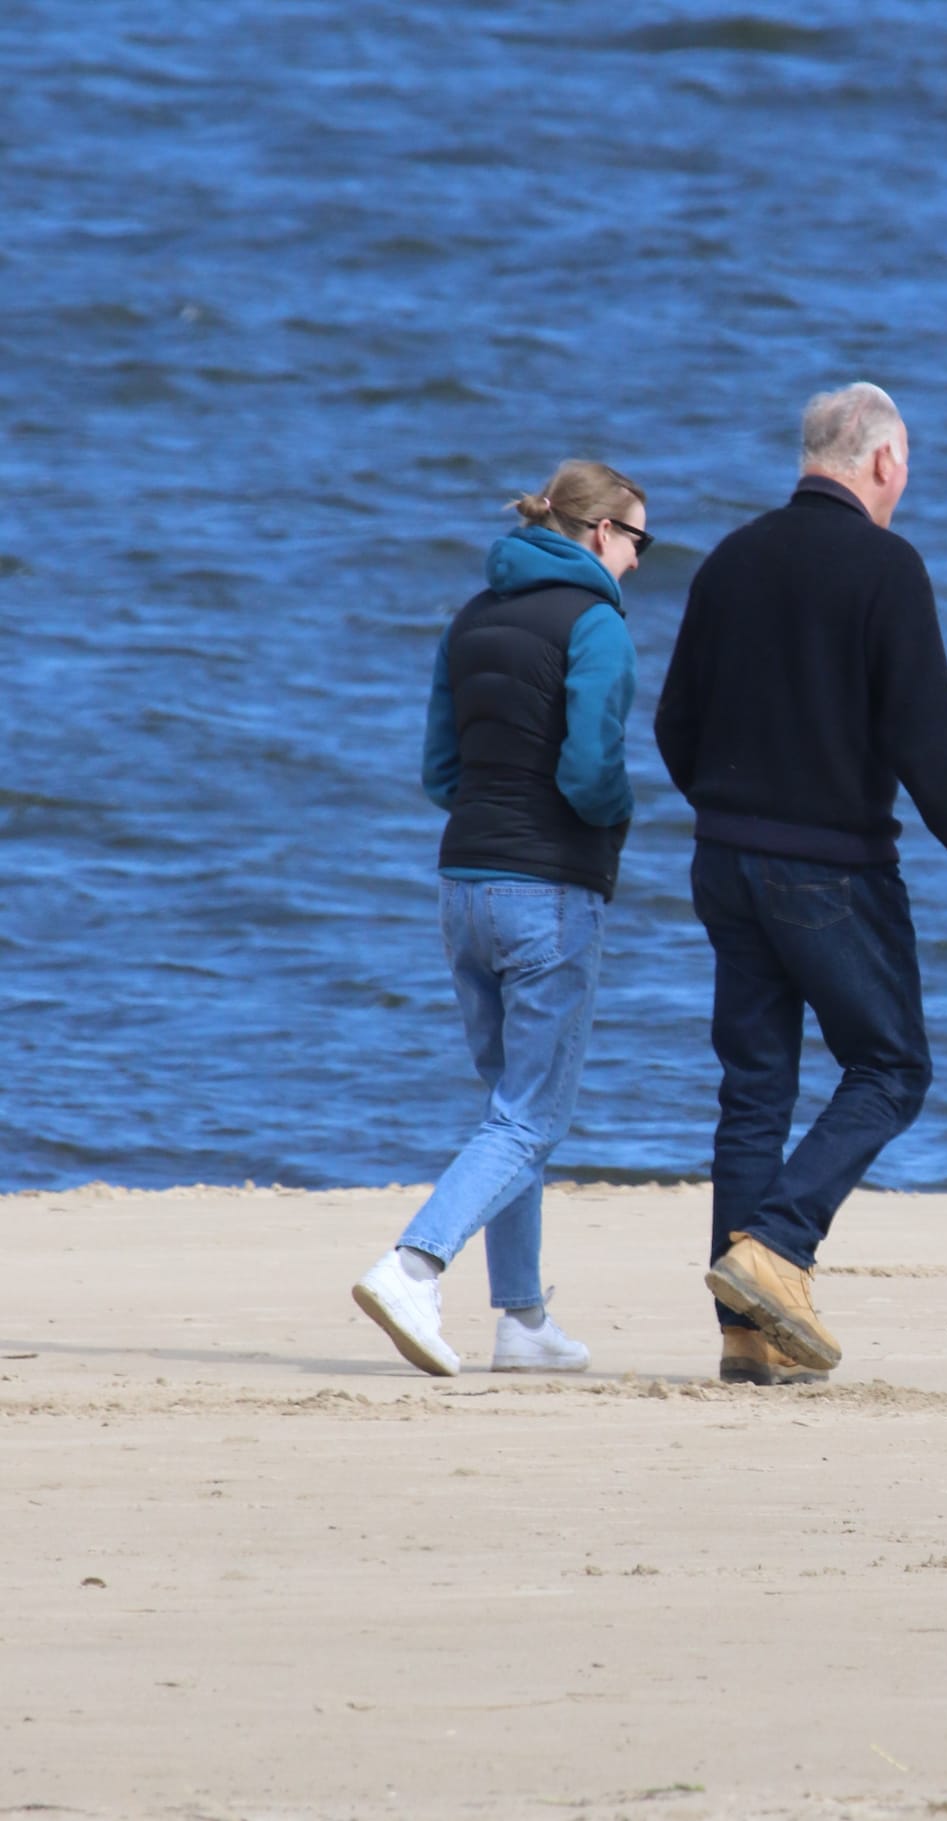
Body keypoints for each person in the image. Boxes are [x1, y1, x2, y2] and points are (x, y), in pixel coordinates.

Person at [655, 382, 947, 1386]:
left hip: (723, 860)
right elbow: (928, 739)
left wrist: (730, 809)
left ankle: (747, 1333)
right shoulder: (883, 566)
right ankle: (775, 1249)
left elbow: (672, 724)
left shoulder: (732, 559)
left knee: (754, 1087)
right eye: (904, 464)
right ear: (880, 462)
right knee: (890, 1068)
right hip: (826, 867)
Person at [353, 460, 651, 1377]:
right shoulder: (597, 623)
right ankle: (413, 1264)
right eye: (640, 539)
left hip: (465, 885)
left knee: (507, 1110)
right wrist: (614, 816)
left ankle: (521, 1319)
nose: (641, 559)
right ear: (601, 534)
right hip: (547, 888)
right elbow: (591, 767)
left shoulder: (472, 617)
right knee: (527, 1117)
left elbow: (440, 771)